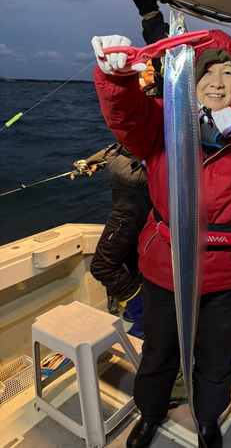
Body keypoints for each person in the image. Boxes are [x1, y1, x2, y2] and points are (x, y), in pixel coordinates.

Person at [91, 0, 231, 448]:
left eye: (228, 71)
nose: (217, 81)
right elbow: (125, 117)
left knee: (217, 357)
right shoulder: (163, 123)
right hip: (165, 268)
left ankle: (207, 420)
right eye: (206, 70)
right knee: (159, 351)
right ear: (188, 77)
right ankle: (150, 414)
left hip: (226, 274)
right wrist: (114, 76)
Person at [78, 143, 152, 339]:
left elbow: (142, 145)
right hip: (132, 204)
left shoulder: (156, 122)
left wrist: (109, 160)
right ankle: (143, 317)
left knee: (103, 266)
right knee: (135, 265)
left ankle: (144, 320)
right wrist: (101, 158)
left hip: (132, 205)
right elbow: (127, 143)